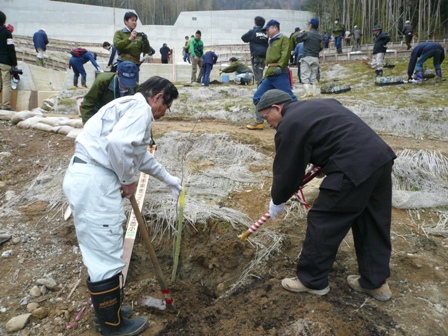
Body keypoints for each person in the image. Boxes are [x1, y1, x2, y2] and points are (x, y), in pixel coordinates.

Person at [63, 76, 181, 336]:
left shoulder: (127, 108)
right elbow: (117, 146)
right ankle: (111, 325)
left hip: (88, 179)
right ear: (158, 97)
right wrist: (128, 181)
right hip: (95, 182)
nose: (164, 113)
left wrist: (169, 178)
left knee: (102, 250)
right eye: (166, 106)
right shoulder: (139, 109)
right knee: (105, 253)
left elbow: (138, 156)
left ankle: (109, 312)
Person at [256, 89, 396, 302]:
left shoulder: (290, 123)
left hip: (352, 168)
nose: (268, 123)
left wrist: (278, 199)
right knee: (372, 220)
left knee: (324, 220)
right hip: (380, 160)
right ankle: (376, 283)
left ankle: (312, 281)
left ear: (277, 107)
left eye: (267, 116)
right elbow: (334, 135)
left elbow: (288, 169)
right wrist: (325, 160)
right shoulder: (322, 103)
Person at [247, 19, 297, 130]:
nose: (266, 32)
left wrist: (280, 66)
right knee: (258, 97)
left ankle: (300, 118)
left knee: (290, 99)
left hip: (279, 73)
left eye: (268, 29)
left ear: (275, 27)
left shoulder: (283, 39)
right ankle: (260, 121)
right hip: (270, 74)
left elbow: (285, 54)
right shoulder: (271, 42)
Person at [295, 18, 323, 98]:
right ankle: (314, 93)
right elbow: (321, 47)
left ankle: (307, 92)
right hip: (315, 58)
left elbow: (297, 38)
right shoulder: (319, 35)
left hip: (307, 57)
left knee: (304, 76)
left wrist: (300, 33)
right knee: (314, 76)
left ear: (310, 25)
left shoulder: (307, 33)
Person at [241, 16, 269, 86]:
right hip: (265, 55)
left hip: (256, 56)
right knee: (261, 72)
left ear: (255, 23)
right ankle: (261, 88)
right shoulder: (266, 33)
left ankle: (260, 90)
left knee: (257, 76)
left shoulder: (253, 32)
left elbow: (243, 38)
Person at [0, 11, 18, 111]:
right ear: (3, 21)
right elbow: (10, 48)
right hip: (4, 61)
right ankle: (5, 105)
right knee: (6, 83)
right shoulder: (7, 33)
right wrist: (14, 63)